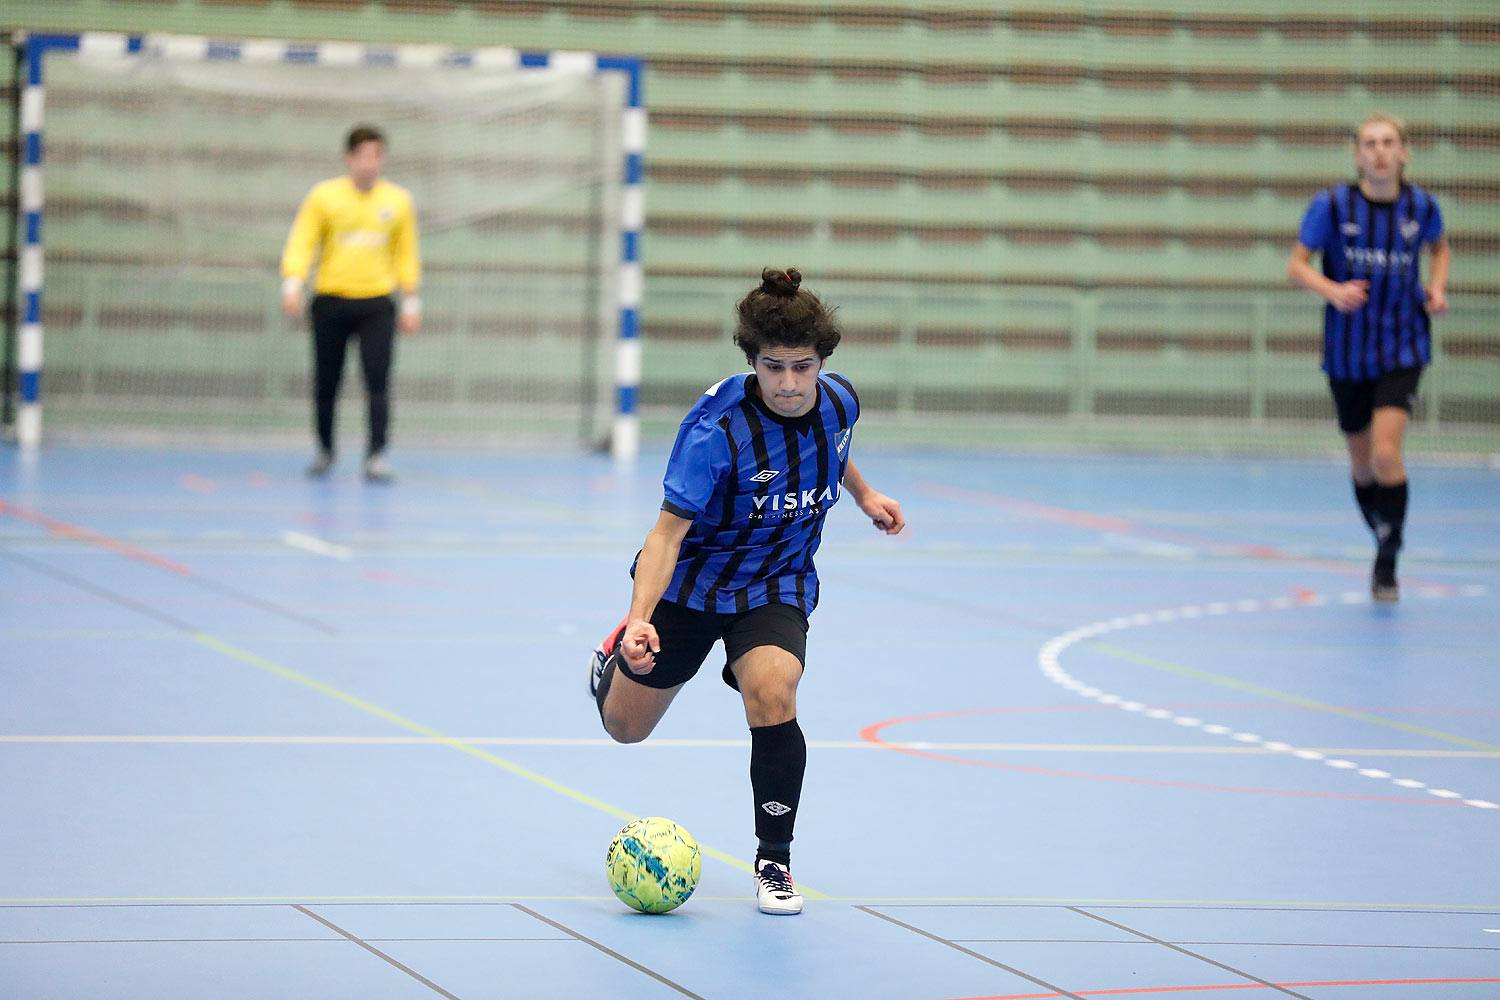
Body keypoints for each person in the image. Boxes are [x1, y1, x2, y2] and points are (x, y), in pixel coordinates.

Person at [587, 268, 905, 915]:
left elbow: (832, 447)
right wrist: (640, 617)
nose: (788, 383)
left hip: (776, 583)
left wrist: (866, 495)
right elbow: (666, 534)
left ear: (822, 362)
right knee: (624, 730)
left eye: (802, 366)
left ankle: (775, 860)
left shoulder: (840, 402)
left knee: (773, 688)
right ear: (751, 360)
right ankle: (612, 661)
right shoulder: (715, 428)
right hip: (693, 584)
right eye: (772, 366)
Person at [1287, 113, 1450, 602]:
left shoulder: (1422, 206)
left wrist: (1436, 289)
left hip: (1402, 345)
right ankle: (1382, 533)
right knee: (1362, 466)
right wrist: (1332, 290)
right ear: (1357, 154)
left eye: (1389, 143)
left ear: (1403, 152)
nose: (1379, 151)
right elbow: (1296, 265)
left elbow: (1439, 248)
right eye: (1370, 144)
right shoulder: (1333, 206)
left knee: (1385, 452)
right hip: (1346, 352)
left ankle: (1387, 560)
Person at [280, 124, 421, 482]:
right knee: (327, 381)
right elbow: (302, 240)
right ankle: (325, 449)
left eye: (375, 156)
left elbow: (406, 253)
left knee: (378, 381)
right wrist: (293, 282)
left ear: (382, 159)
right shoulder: (324, 197)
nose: (368, 164)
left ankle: (376, 455)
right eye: (362, 156)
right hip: (331, 301)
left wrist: (411, 301)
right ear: (349, 158)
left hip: (376, 303)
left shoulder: (398, 201)